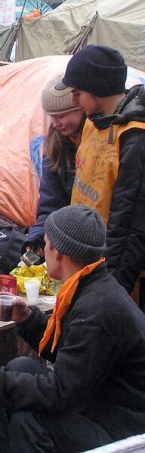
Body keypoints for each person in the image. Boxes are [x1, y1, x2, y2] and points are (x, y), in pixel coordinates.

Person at [0, 205, 145, 452]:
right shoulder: (90, 285)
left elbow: (61, 391)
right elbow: (73, 358)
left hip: (124, 428)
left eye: (45, 244)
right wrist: (27, 319)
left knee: (29, 421)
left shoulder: (97, 309)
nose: (42, 252)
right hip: (98, 399)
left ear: (59, 253)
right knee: (20, 366)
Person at [53, 45, 145, 305]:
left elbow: (129, 225)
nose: (74, 101)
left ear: (95, 89)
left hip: (117, 270)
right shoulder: (94, 124)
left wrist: (111, 293)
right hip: (88, 260)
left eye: (78, 93)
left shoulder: (134, 138)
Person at [23, 74, 86, 257]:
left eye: (61, 116)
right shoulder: (55, 146)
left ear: (81, 109)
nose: (55, 123)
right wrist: (37, 238)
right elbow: (51, 203)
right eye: (52, 116)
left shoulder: (99, 144)